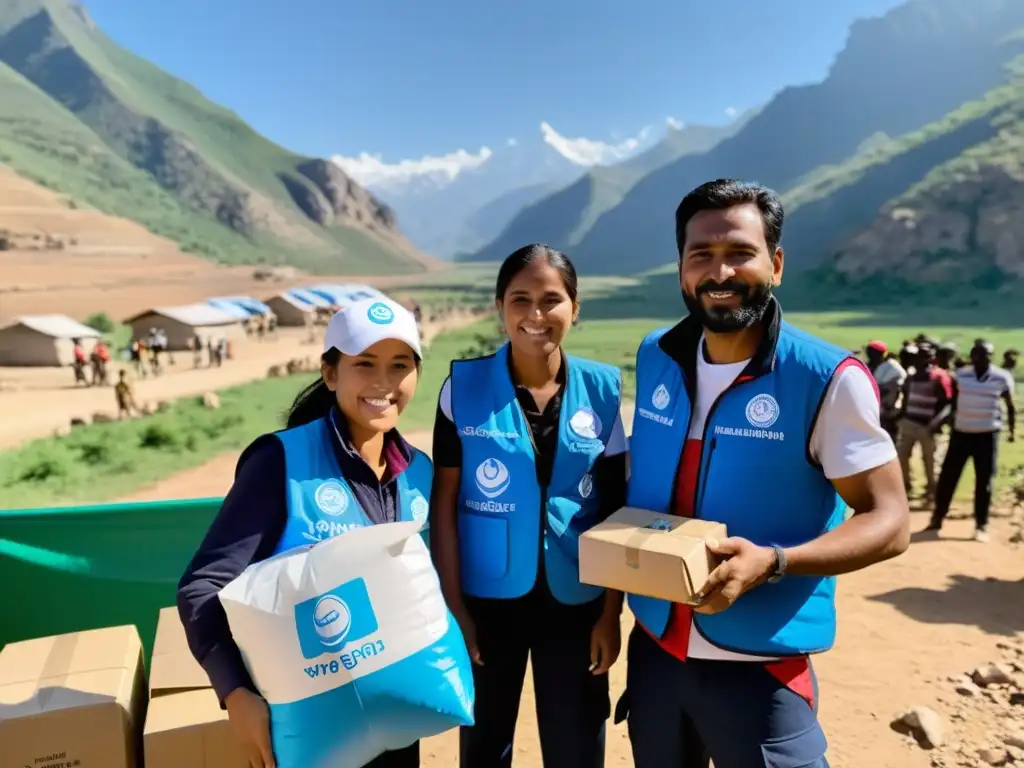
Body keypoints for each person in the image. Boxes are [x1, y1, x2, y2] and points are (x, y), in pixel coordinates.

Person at [619, 179, 911, 768]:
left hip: (758, 667)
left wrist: (775, 562)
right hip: (653, 647)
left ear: (775, 264)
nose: (719, 273)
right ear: (680, 268)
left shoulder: (828, 377)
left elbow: (891, 519)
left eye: (740, 254)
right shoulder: (657, 355)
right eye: (701, 254)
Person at [177, 297, 431, 768]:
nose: (383, 382)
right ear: (331, 373)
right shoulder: (280, 462)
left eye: (400, 365)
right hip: (309, 726)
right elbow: (201, 586)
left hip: (394, 723)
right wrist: (235, 693)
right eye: (365, 364)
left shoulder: (420, 473)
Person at [430, 244, 627, 768]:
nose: (536, 315)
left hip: (577, 604)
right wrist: (456, 610)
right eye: (521, 299)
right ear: (500, 306)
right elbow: (443, 506)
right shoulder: (462, 389)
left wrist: (611, 615)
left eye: (551, 299)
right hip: (487, 604)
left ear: (575, 307)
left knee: (578, 746)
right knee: (484, 746)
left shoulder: (604, 391)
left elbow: (615, 509)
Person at [928, 340, 1016, 542]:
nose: (981, 358)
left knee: (984, 481)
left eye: (985, 355)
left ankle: (981, 525)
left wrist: (1011, 431)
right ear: (972, 355)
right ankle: (937, 518)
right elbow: (953, 402)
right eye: (977, 354)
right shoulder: (962, 375)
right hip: (961, 433)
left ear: (990, 357)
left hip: (987, 435)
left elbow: (1009, 404)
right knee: (948, 478)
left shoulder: (1001, 377)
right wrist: (941, 420)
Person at [896, 343, 952, 503]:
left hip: (928, 425)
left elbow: (946, 402)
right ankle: (906, 487)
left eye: (925, 355)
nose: (921, 359)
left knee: (930, 460)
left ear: (931, 358)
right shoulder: (912, 375)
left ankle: (932, 491)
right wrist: (901, 415)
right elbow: (906, 397)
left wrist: (937, 423)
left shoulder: (939, 376)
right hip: (909, 422)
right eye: (919, 355)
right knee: (902, 456)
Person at [865, 341, 905, 440]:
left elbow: (895, 388)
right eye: (869, 352)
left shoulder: (892, 368)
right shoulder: (867, 366)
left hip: (887, 409)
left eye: (873, 353)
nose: (870, 355)